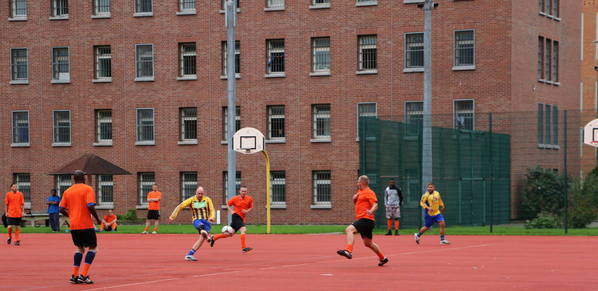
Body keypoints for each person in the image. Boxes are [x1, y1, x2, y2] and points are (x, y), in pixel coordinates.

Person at [59, 170, 104, 284]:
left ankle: (74, 275)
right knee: (93, 248)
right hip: (86, 224)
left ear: (74, 178)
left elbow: (61, 209)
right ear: (83, 178)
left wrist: (71, 215)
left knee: (79, 248)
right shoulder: (88, 189)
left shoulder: (67, 191)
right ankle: (83, 275)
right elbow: (90, 206)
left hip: (74, 225)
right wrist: (98, 219)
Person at [337, 176, 389, 266]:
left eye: (358, 182)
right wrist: (354, 199)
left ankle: (348, 251)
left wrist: (371, 211)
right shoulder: (360, 192)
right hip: (365, 220)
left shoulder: (369, 192)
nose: (357, 184)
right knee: (368, 243)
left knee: (349, 229)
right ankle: (383, 258)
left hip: (366, 219)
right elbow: (358, 204)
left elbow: (375, 205)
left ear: (362, 183)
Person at [169, 186, 215, 261]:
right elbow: (180, 206)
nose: (200, 195)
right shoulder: (191, 200)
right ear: (196, 193)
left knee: (201, 239)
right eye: (199, 193)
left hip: (206, 221)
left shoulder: (207, 199)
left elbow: (212, 209)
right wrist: (172, 216)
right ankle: (209, 238)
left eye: (202, 194)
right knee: (202, 229)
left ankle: (189, 254)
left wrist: (212, 217)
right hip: (196, 220)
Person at [208, 186, 254, 253]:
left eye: (245, 191)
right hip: (236, 216)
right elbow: (228, 204)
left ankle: (214, 238)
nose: (244, 192)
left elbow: (251, 207)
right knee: (243, 229)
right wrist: (231, 211)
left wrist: (247, 211)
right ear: (239, 191)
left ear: (247, 192)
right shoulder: (235, 198)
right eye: (242, 191)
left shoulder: (249, 199)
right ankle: (244, 248)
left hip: (242, 218)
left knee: (230, 234)